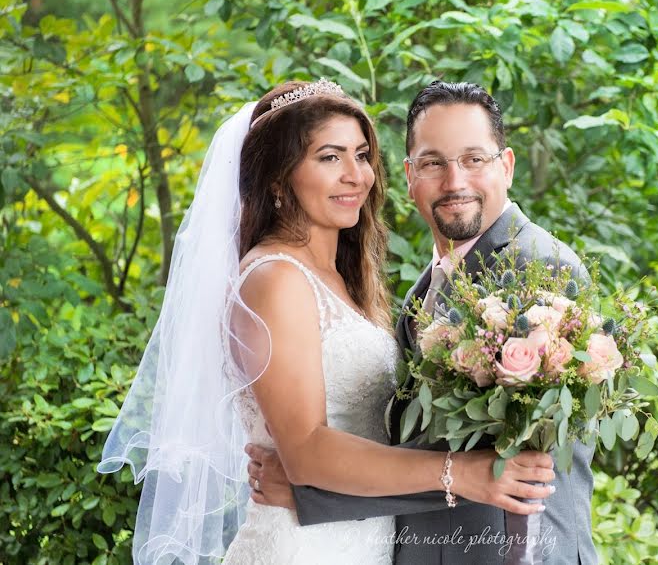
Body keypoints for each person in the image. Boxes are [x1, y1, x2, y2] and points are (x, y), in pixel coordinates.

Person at [98, 79, 556, 565]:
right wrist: (457, 472)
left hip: (361, 538)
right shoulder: (276, 279)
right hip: (304, 547)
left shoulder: (341, 280)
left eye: (361, 155)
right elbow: (308, 451)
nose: (355, 176)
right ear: (278, 179)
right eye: (329, 157)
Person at [248, 81, 598, 565]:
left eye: (474, 159)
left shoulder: (537, 270)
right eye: (434, 163)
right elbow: (428, 449)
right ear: (410, 175)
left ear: (508, 166)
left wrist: (316, 495)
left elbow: (509, 471)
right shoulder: (421, 291)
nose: (455, 181)